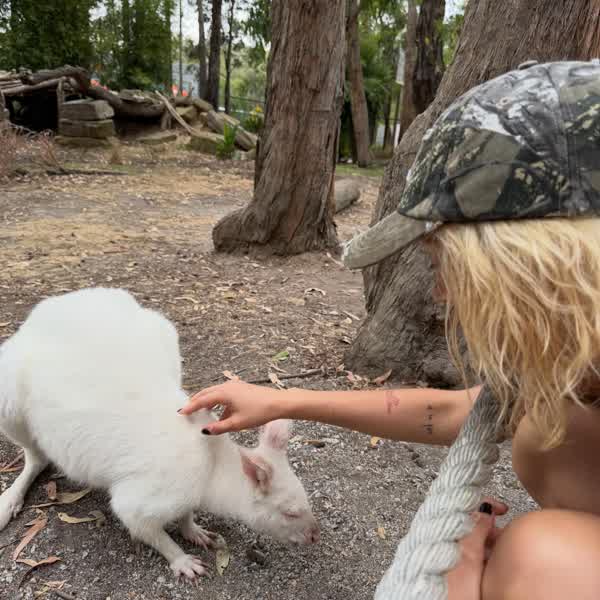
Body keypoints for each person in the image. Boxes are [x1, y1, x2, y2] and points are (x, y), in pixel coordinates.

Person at [179, 60, 600, 600]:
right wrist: (283, 401)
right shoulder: (577, 360)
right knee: (550, 440)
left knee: (538, 558)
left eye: (450, 262)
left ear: (544, 260)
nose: (441, 293)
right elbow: (455, 411)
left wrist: (466, 577)